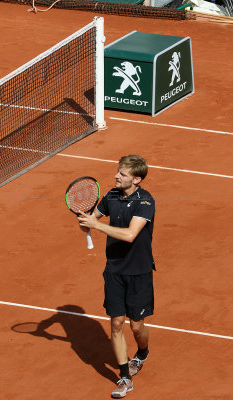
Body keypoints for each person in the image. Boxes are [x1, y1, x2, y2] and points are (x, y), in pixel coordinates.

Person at [78, 155, 156, 398]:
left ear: (136, 179)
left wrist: (97, 225)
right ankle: (124, 377)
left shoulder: (146, 201)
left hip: (139, 271)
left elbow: (131, 235)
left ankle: (142, 352)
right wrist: (87, 222)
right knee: (116, 323)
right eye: (117, 172)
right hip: (114, 270)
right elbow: (94, 219)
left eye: (122, 174)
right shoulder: (111, 195)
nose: (116, 176)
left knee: (136, 325)